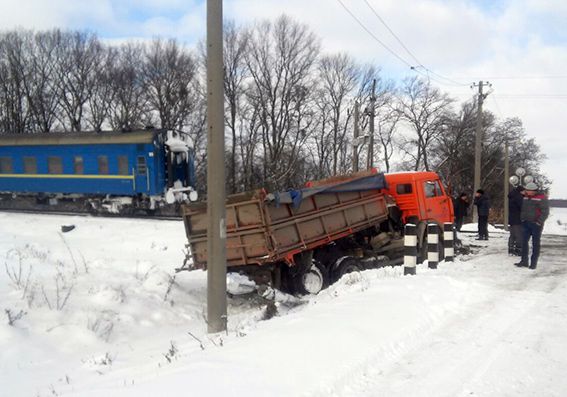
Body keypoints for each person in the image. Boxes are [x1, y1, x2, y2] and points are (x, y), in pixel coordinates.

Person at [515, 182, 549, 269]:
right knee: (524, 242)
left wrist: (539, 222)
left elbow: (545, 212)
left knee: (535, 244)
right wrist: (522, 219)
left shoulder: (542, 198)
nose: (527, 192)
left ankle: (533, 263)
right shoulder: (525, 197)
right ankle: (524, 261)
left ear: (534, 191)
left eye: (528, 191)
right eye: (526, 190)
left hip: (536, 224)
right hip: (525, 222)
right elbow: (523, 209)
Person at [508, 185, 525, 255]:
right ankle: (518, 249)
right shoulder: (519, 198)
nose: (525, 192)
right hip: (518, 219)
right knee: (519, 235)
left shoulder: (512, 196)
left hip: (512, 218)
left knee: (512, 235)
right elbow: (523, 207)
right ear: (520, 191)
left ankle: (511, 248)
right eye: (524, 191)